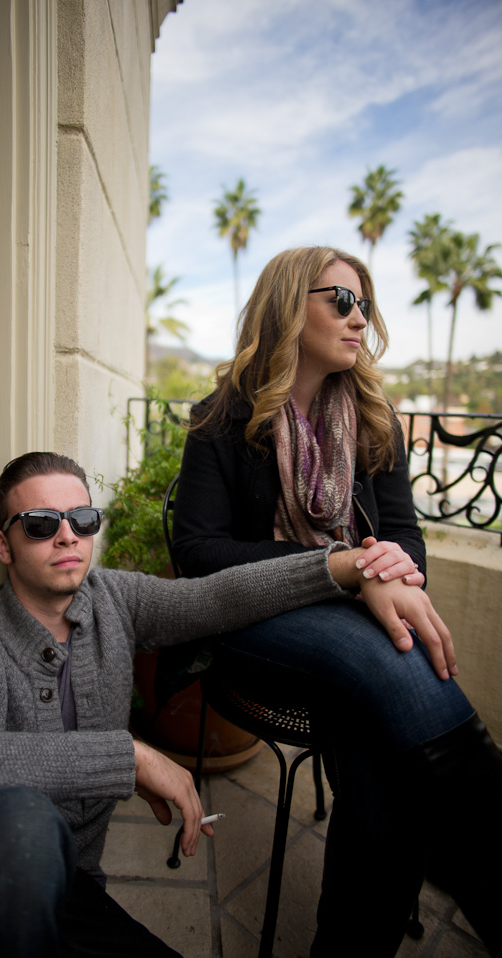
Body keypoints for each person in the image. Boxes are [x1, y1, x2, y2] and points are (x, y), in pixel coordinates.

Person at [0, 450, 442, 958]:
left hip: (65, 892)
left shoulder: (112, 599)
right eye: (40, 523)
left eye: (82, 519)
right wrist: (128, 758)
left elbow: (217, 596)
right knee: (24, 816)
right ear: (3, 544)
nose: (67, 535)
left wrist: (347, 566)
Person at [172, 247, 502, 957]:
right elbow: (198, 556)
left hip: (359, 627)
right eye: (342, 301)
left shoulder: (375, 420)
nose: (361, 320)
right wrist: (344, 566)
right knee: (391, 668)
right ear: (290, 308)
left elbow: (408, 541)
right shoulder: (221, 421)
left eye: (366, 305)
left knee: (382, 751)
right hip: (253, 624)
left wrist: (384, 567)